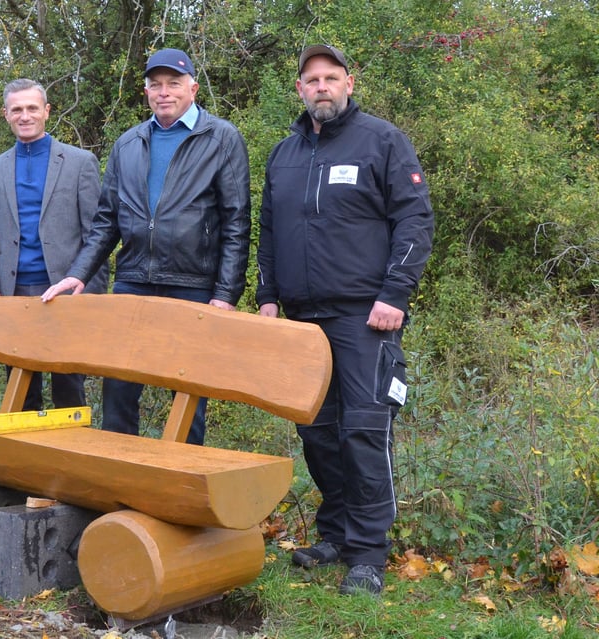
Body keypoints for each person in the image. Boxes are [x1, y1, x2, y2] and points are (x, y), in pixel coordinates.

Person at [256, 44, 434, 595]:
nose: (322, 87)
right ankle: (335, 534)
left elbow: (415, 220)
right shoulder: (284, 155)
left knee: (363, 428)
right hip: (301, 320)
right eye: (312, 80)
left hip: (366, 317)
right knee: (318, 432)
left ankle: (368, 555)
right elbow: (269, 230)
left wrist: (395, 294)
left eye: (331, 78)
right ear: (300, 90)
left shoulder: (381, 141)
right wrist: (266, 296)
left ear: (349, 83)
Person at [42, 49, 251, 445]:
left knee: (188, 399)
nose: (164, 92)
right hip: (133, 281)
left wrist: (225, 294)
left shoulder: (221, 137)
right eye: (155, 85)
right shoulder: (128, 143)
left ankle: (183, 493)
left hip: (193, 285)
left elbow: (236, 221)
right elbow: (107, 221)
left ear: (193, 88)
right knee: (118, 390)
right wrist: (78, 273)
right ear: (146, 92)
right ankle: (120, 488)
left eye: (173, 83)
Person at [0, 78, 107, 411]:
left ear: (46, 111)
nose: (25, 116)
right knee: (21, 394)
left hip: (64, 293)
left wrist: (89, 296)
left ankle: (72, 460)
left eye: (32, 108)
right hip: (11, 296)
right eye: (17, 109)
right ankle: (22, 462)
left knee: (69, 391)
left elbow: (98, 236)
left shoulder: (79, 163)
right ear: (5, 114)